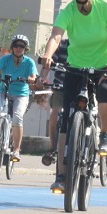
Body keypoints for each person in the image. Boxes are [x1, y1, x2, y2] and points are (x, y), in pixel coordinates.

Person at [39, 0, 107, 194]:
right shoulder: (68, 12)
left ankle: (104, 136)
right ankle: (62, 177)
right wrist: (48, 54)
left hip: (103, 66)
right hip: (76, 67)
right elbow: (56, 35)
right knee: (67, 118)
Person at [0, 34, 38, 161]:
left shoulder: (29, 62)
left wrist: (32, 79)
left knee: (17, 118)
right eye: (16, 45)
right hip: (4, 91)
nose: (18, 48)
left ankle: (17, 150)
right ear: (12, 47)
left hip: (21, 95)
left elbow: (33, 76)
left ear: (25, 49)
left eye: (22, 46)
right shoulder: (6, 59)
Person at [40, 37, 69, 166]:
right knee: (54, 115)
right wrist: (42, 77)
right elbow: (48, 64)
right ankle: (52, 148)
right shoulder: (61, 45)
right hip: (60, 87)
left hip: (80, 87)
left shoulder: (87, 43)